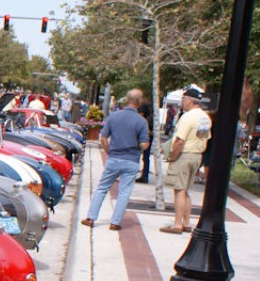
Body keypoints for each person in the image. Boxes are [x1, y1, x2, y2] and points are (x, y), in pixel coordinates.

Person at [80, 89, 150, 231]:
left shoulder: (114, 116)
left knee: (102, 188)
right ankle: (115, 222)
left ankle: (91, 218)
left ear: (127, 100)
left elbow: (103, 138)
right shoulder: (142, 122)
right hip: (131, 159)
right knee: (124, 192)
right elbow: (144, 144)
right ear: (139, 102)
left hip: (114, 157)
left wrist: (109, 152)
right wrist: (136, 142)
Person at [159, 88, 211, 234]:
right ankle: (186, 222)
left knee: (179, 190)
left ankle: (177, 224)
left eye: (183, 100)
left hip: (184, 154)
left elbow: (180, 141)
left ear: (188, 100)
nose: (182, 103)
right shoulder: (205, 117)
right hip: (197, 155)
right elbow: (205, 137)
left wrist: (172, 157)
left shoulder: (187, 117)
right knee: (185, 190)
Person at [135, 93, 154, 184]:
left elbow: (140, 118)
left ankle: (135, 173)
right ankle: (145, 175)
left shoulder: (143, 107)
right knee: (146, 156)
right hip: (150, 132)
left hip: (144, 133)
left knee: (137, 153)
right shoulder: (151, 107)